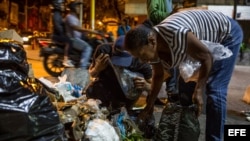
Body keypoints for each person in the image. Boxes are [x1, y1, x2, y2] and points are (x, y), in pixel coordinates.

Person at [124, 10, 243, 141]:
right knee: (184, 92)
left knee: (215, 89)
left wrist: (198, 90)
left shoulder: (176, 33)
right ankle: (185, 135)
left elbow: (206, 57)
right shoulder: (154, 48)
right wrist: (149, 105)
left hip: (227, 34)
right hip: (203, 46)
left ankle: (214, 138)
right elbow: (158, 76)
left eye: (142, 55)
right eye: (138, 57)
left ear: (151, 41)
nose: (142, 60)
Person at [87, 35, 152, 110]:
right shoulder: (104, 51)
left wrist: (145, 85)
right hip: (104, 89)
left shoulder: (140, 60)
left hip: (126, 95)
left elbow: (153, 88)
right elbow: (92, 74)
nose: (120, 66)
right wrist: (97, 68)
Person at [147, 0, 180, 104]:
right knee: (167, 65)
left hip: (167, 34)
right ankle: (170, 94)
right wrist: (171, 14)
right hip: (161, 34)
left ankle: (156, 95)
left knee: (168, 66)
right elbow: (153, 14)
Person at [64, 1, 99, 69]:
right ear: (73, 7)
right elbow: (76, 28)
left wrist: (88, 34)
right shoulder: (69, 17)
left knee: (92, 42)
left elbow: (80, 30)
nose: (79, 8)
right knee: (88, 48)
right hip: (73, 39)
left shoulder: (75, 18)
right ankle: (82, 68)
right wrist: (91, 31)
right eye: (77, 7)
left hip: (78, 39)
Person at [51, 0, 74, 67]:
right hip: (57, 35)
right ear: (57, 5)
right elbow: (58, 26)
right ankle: (66, 60)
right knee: (69, 41)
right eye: (61, 4)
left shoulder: (58, 14)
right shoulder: (56, 14)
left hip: (58, 34)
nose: (62, 6)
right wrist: (64, 34)